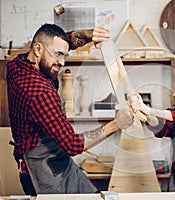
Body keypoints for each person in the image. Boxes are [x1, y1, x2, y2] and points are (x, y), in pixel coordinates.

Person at [6, 23, 134, 195]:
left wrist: (89, 35)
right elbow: (72, 145)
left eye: (64, 54)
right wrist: (116, 124)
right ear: (37, 49)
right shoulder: (39, 92)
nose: (62, 62)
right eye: (58, 55)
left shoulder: (18, 65)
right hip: (43, 170)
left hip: (56, 159)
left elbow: (56, 41)